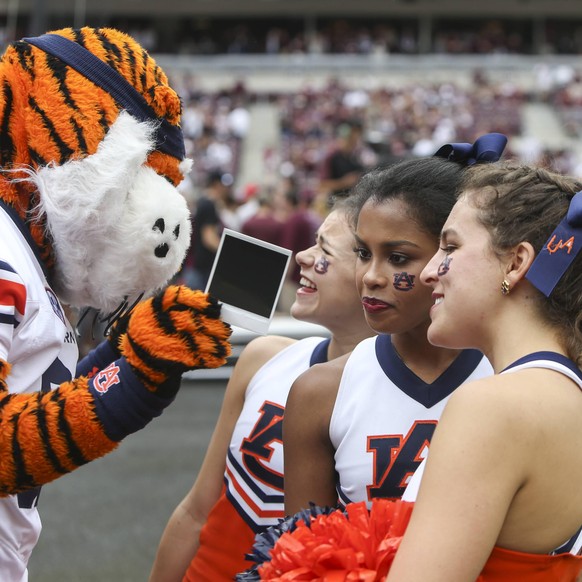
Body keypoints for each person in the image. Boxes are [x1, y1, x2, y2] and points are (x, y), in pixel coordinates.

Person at [149, 201, 375, 582]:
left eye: (324, 249)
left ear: (375, 272)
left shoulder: (410, 401)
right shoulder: (263, 357)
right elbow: (196, 510)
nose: (302, 256)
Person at [283, 135, 506, 515]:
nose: (370, 277)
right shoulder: (318, 392)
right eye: (363, 253)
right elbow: (302, 559)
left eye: (398, 257)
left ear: (450, 254)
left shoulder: (520, 379)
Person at [385, 161, 582, 581]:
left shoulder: (495, 406)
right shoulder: (563, 396)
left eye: (451, 247)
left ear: (516, 263)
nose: (426, 272)